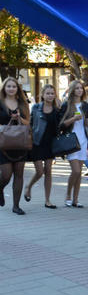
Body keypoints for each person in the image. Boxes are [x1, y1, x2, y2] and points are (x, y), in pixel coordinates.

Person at [24, 83, 60, 209]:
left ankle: (47, 200)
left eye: (52, 93)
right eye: (48, 93)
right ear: (43, 95)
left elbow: (59, 126)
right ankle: (28, 186)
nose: (50, 96)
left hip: (50, 144)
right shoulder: (36, 107)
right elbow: (30, 124)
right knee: (39, 172)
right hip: (37, 143)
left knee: (48, 171)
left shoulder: (57, 110)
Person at [58, 79, 88, 208]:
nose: (79, 90)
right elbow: (61, 125)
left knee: (79, 172)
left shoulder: (85, 105)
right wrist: (73, 118)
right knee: (76, 170)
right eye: (77, 88)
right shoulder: (66, 105)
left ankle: (75, 199)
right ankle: (67, 195)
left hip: (82, 140)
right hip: (70, 141)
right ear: (72, 90)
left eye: (81, 88)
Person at [0, 76, 31, 215]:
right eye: (9, 86)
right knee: (6, 175)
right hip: (3, 143)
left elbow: (28, 124)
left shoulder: (23, 103)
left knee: (19, 174)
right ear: (4, 88)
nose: (11, 89)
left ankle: (16, 206)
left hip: (20, 143)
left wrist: (19, 118)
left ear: (17, 88)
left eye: (14, 86)